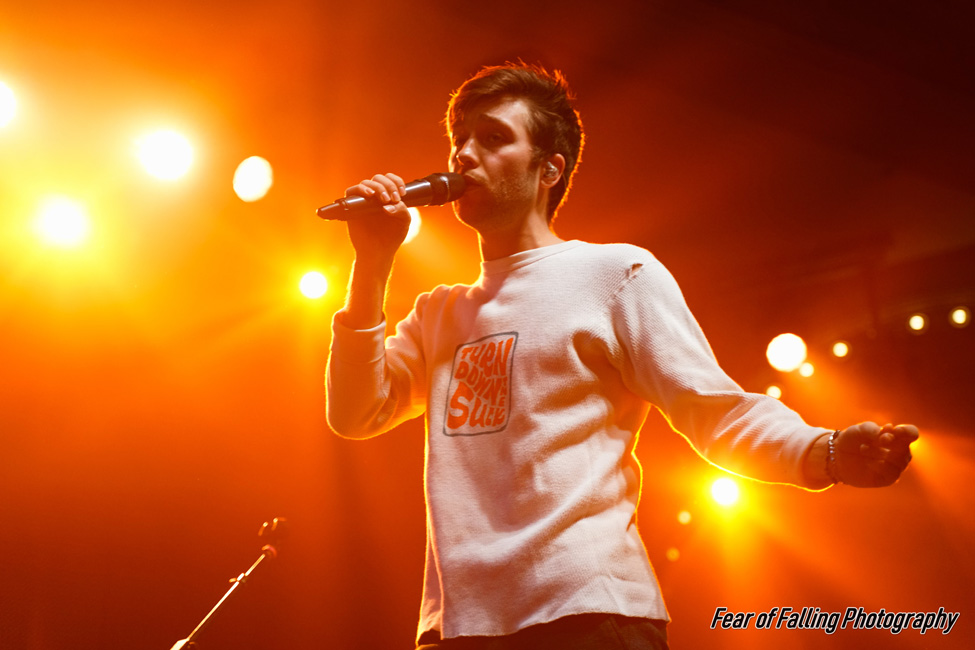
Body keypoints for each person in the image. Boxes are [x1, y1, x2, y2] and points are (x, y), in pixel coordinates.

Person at [324, 62, 917, 650]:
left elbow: (716, 409)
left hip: (588, 617)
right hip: (459, 630)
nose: (464, 154)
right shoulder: (437, 314)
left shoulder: (613, 274)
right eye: (460, 141)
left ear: (549, 168)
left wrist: (825, 452)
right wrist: (372, 263)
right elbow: (355, 414)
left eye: (494, 137)